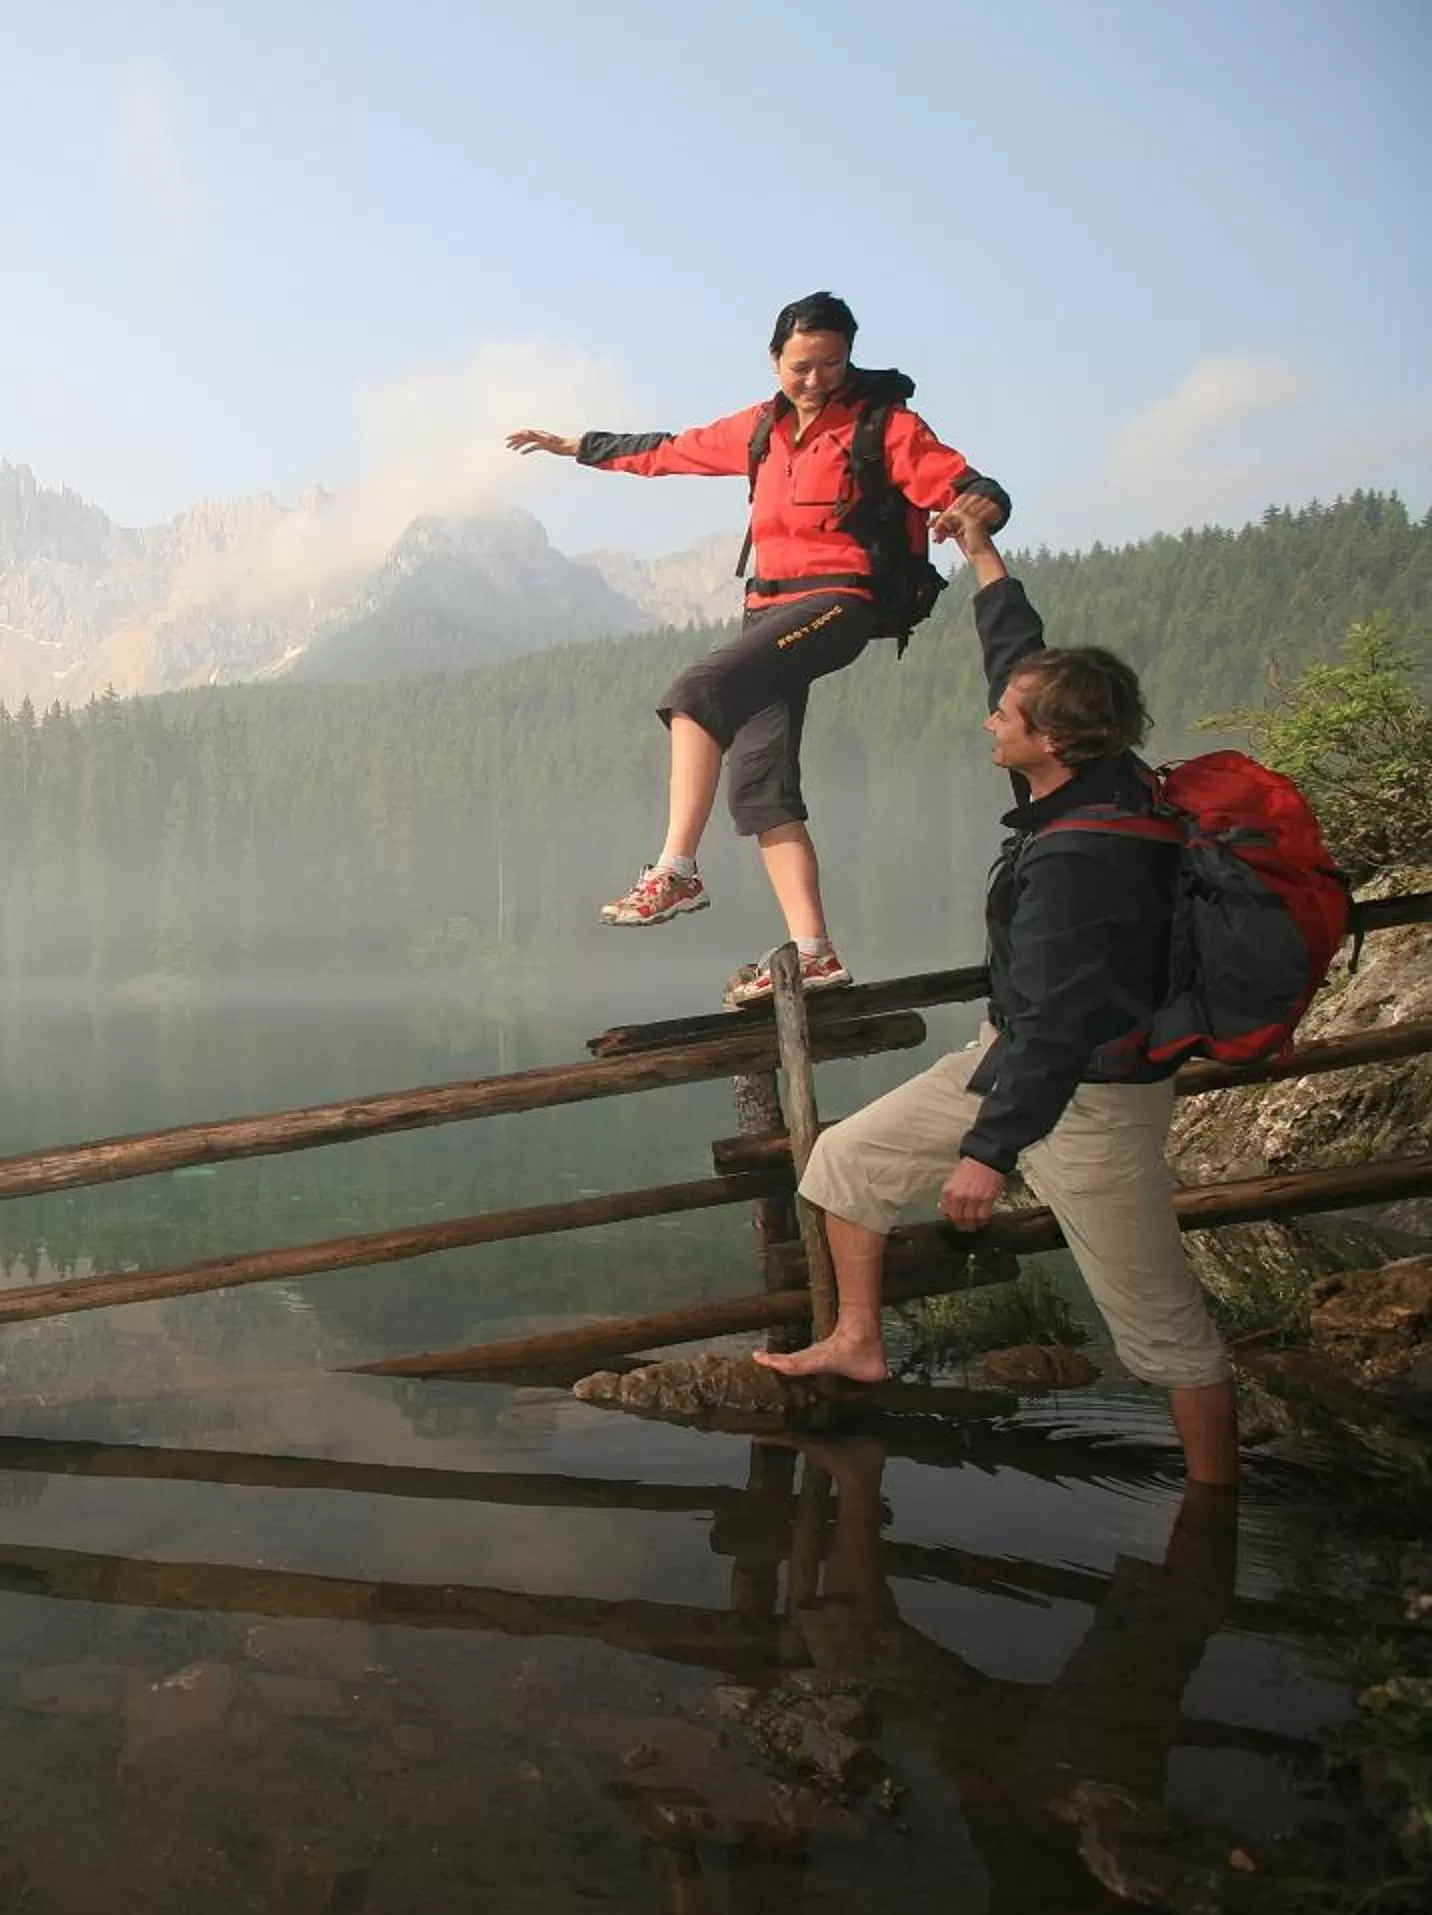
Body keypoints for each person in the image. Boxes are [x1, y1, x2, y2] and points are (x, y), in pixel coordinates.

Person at [755, 506, 1239, 1487]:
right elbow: (1020, 656)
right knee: (845, 1163)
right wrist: (980, 556)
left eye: (1006, 717)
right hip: (1007, 1060)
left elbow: (1066, 1023)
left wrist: (988, 1153)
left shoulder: (1085, 855)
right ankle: (858, 1338)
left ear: (1049, 737)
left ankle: (1216, 1509)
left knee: (1163, 1330)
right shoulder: (1091, 783)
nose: (990, 718)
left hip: (1090, 1098)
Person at [507, 291, 1011, 1004]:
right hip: (766, 613)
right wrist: (578, 447)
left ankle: (675, 868)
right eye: (802, 365)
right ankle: (816, 956)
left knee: (695, 695)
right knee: (761, 790)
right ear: (775, 360)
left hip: (839, 602)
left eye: (831, 364)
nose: (815, 379)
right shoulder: (759, 430)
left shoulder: (884, 425)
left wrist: (978, 502)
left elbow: (961, 481)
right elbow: (668, 450)